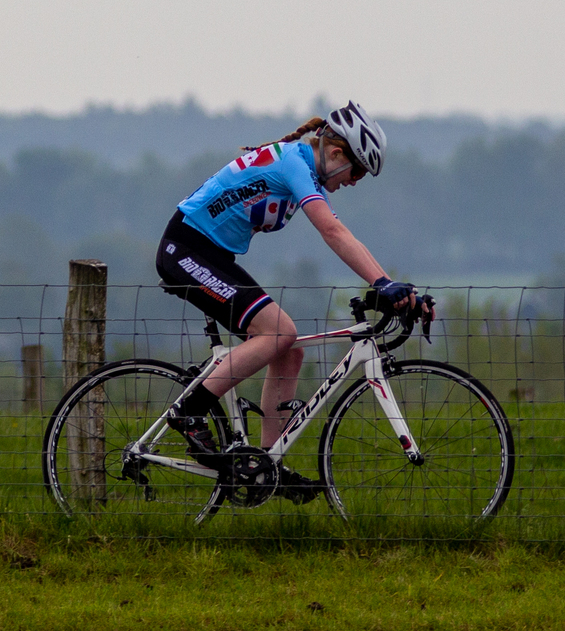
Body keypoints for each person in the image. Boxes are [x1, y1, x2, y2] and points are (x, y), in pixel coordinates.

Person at [156, 101, 426, 485]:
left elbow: (340, 229)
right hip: (185, 249)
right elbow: (332, 233)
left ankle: (267, 466)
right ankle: (189, 411)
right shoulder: (294, 164)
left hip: (210, 253)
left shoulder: (304, 166)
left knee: (290, 348)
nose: (353, 182)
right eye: (358, 172)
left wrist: (395, 288)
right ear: (335, 153)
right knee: (279, 332)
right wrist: (383, 284)